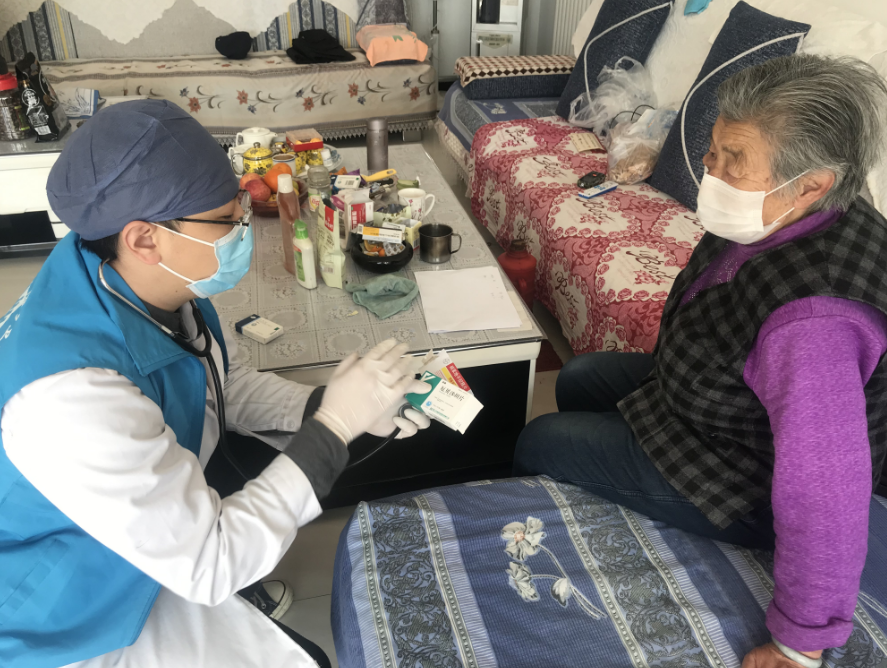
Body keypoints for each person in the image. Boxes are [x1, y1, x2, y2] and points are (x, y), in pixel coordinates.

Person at [0, 99, 431, 668]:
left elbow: (216, 379)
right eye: (227, 220)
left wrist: (329, 404)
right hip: (65, 614)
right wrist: (333, 429)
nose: (242, 229)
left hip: (136, 539)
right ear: (145, 239)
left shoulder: (131, 275)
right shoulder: (68, 401)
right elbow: (210, 563)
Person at [515, 54, 887, 668]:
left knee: (541, 441)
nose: (710, 170)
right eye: (714, 149)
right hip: (718, 403)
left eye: (733, 159)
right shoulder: (793, 207)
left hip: (745, 475)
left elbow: (825, 485)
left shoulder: (815, 325)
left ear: (812, 184)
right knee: (580, 377)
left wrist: (799, 643)